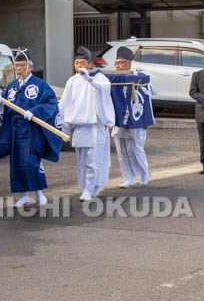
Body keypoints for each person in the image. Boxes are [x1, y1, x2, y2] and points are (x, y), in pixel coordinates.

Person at [0, 49, 61, 207]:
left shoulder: (40, 85)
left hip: (32, 129)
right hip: (16, 129)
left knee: (32, 162)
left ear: (30, 66)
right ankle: (23, 195)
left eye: (22, 65)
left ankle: (39, 192)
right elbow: (6, 109)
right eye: (17, 65)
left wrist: (34, 111)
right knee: (18, 163)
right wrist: (0, 106)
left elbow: (50, 104)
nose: (19, 68)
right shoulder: (12, 86)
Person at [59, 46, 115, 202]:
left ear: (90, 64)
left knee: (93, 160)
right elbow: (65, 104)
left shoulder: (100, 78)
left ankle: (90, 188)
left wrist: (89, 78)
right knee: (82, 160)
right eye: (76, 63)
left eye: (82, 63)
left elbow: (104, 90)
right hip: (79, 126)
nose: (79, 66)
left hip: (95, 126)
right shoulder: (72, 81)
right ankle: (85, 187)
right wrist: (64, 128)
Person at [106, 47, 155, 188]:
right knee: (121, 152)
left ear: (129, 63)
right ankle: (129, 177)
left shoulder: (140, 78)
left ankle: (144, 173)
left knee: (135, 150)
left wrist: (147, 119)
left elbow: (147, 100)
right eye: (116, 63)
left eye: (121, 62)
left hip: (136, 120)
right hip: (119, 120)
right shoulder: (113, 78)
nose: (117, 66)